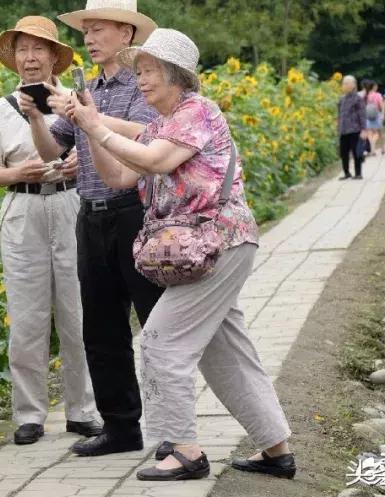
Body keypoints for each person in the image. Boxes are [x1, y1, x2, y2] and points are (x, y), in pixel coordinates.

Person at [68, 28, 295, 482]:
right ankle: (277, 450)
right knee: (225, 352)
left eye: (149, 71)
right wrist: (89, 126)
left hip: (217, 243)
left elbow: (154, 162)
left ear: (176, 76)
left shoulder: (196, 112)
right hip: (208, 248)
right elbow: (116, 176)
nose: (142, 80)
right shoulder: (161, 126)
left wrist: (96, 124)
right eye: (140, 71)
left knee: (160, 341)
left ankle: (184, 450)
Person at [21, 0, 163, 457]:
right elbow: (51, 152)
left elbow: (145, 140)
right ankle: (122, 427)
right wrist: (37, 118)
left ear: (126, 32)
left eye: (97, 28)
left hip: (135, 214)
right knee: (101, 329)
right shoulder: (85, 87)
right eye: (85, 30)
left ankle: (171, 430)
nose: (88, 38)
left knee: (156, 326)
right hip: (91, 214)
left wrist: (89, 118)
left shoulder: (142, 84)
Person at [0, 16, 102, 446]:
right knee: (27, 317)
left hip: (71, 203)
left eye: (38, 50)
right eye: (22, 51)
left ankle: (83, 410)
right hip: (23, 208)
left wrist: (79, 162)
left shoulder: (74, 101)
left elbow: (103, 149)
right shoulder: (2, 108)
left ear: (54, 57)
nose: (29, 59)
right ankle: (29, 414)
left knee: (78, 311)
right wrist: (16, 172)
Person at [338, 75, 366, 180]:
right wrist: (338, 127)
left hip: (355, 129)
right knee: (343, 152)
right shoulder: (341, 99)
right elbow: (339, 115)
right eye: (343, 83)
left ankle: (358, 173)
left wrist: (364, 129)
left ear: (353, 85)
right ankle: (346, 172)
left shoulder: (358, 99)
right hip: (344, 130)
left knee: (356, 152)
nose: (343, 85)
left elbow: (362, 115)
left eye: (346, 83)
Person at [361, 79, 385, 156]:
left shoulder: (365, 96)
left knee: (370, 133)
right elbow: (382, 106)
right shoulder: (377, 95)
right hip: (377, 115)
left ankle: (373, 149)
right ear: (374, 87)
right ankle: (382, 149)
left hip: (367, 116)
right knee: (379, 133)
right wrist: (383, 114)